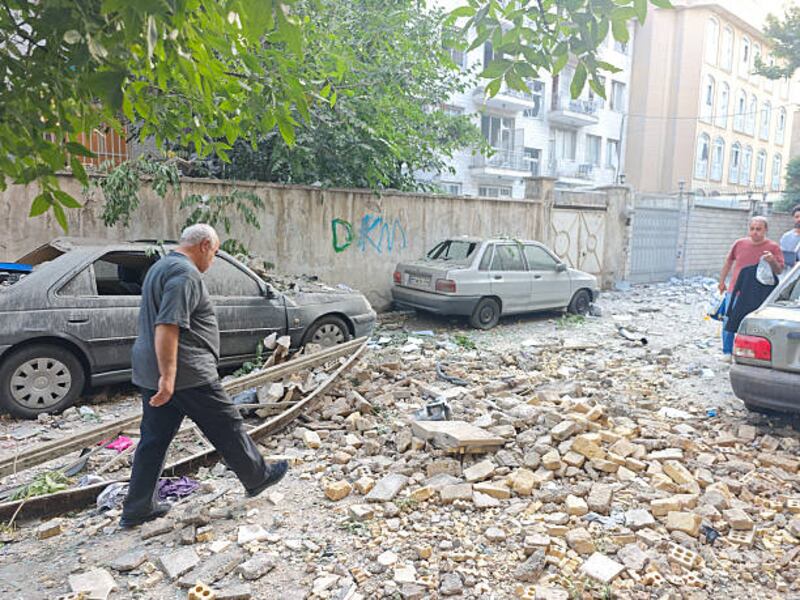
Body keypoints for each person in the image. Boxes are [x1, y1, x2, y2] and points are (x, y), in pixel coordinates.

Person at [120, 224, 288, 528]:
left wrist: (162, 377)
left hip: (155, 371)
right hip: (187, 373)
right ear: (205, 245)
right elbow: (167, 326)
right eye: (216, 252)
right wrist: (168, 378)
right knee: (226, 424)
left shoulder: (161, 267)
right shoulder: (185, 274)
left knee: (154, 440)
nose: (214, 259)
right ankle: (257, 477)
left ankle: (138, 507)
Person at [717, 216, 784, 358]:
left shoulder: (773, 247)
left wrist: (772, 260)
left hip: (758, 293)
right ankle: (727, 351)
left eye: (758, 229)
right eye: (752, 229)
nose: (755, 232)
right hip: (736, 289)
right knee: (729, 319)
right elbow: (728, 262)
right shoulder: (740, 244)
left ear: (765, 230)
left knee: (753, 322)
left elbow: (779, 270)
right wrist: (722, 281)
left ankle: (750, 352)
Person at [779, 205, 800, 270]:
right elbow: (783, 258)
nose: (799, 219)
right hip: (791, 276)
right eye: (797, 217)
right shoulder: (786, 237)